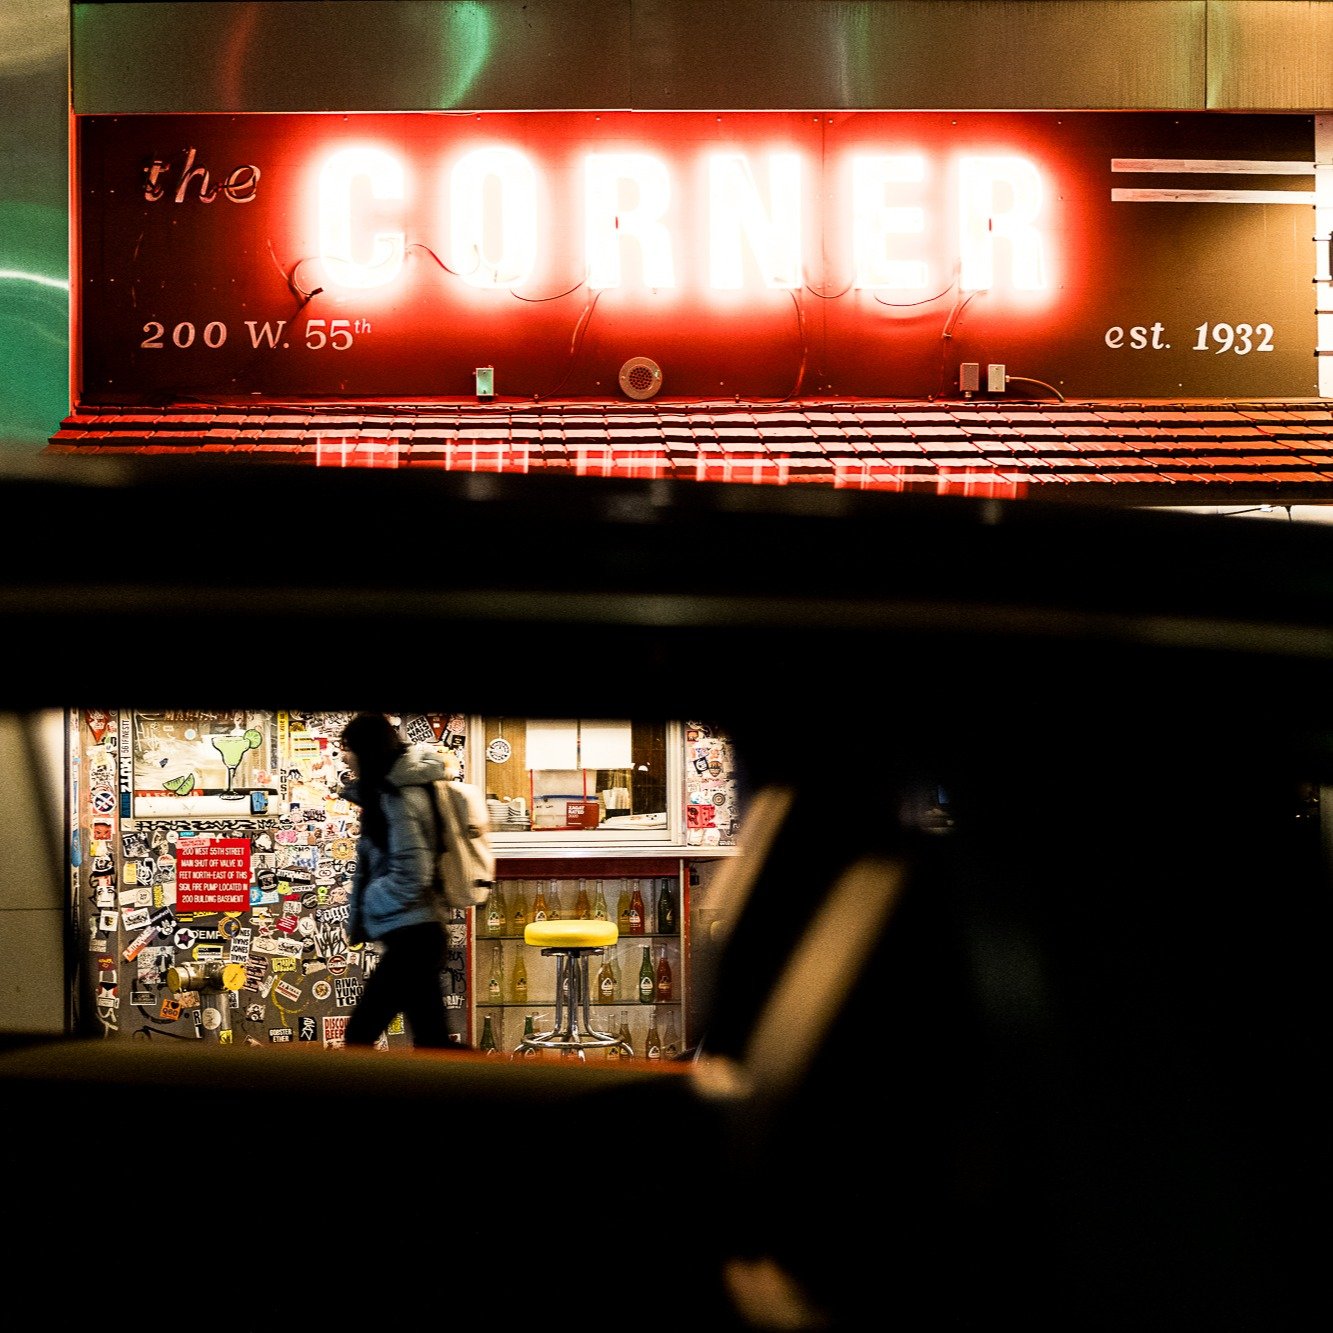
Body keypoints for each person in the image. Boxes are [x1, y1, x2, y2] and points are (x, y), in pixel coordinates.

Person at [338, 712, 458, 1050]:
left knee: (359, 1035)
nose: (345, 756)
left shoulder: (398, 796)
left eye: (349, 748)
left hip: (413, 938)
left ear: (367, 750)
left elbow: (413, 872)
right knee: (433, 1043)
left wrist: (369, 903)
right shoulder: (392, 791)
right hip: (418, 933)